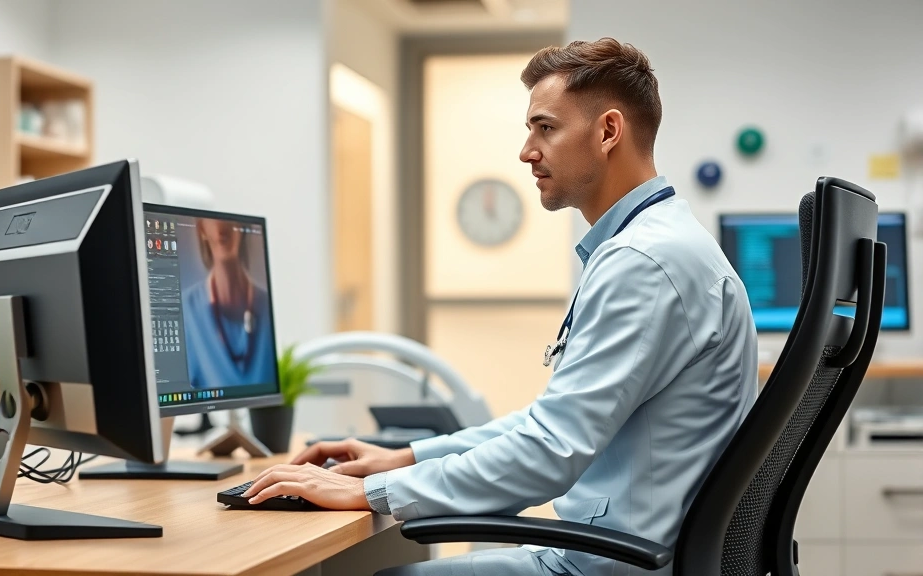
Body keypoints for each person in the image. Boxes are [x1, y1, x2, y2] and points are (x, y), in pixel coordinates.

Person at [242, 38, 758, 576]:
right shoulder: (658, 245)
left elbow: (548, 453)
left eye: (546, 127)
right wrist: (407, 459)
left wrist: (375, 492)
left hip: (611, 564)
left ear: (608, 132)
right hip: (625, 553)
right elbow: (549, 425)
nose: (527, 150)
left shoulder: (643, 262)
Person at [183, 218, 275, 389]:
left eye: (229, 221)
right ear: (202, 229)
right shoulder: (185, 310)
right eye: (211, 220)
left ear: (243, 228)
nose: (221, 227)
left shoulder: (268, 307)